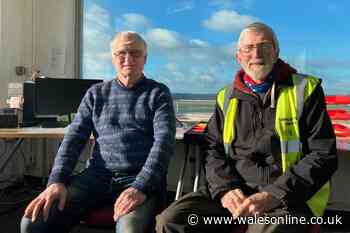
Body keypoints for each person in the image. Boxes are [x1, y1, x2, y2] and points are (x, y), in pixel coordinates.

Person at [156, 22, 337, 233]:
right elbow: (212, 150)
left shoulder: (305, 90)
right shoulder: (226, 97)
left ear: (276, 52)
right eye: (248, 48)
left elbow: (323, 154)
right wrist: (225, 189)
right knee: (172, 220)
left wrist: (273, 195)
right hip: (237, 191)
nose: (256, 54)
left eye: (264, 46)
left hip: (289, 197)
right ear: (238, 56)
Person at [21, 31, 176, 233]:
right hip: (97, 176)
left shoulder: (158, 93)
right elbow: (74, 139)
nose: (128, 59)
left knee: (130, 230)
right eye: (121, 53)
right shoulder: (96, 94)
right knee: (32, 223)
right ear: (113, 58)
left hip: (140, 179)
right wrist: (56, 180)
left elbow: (163, 143)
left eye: (135, 53)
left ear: (145, 59)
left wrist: (140, 187)